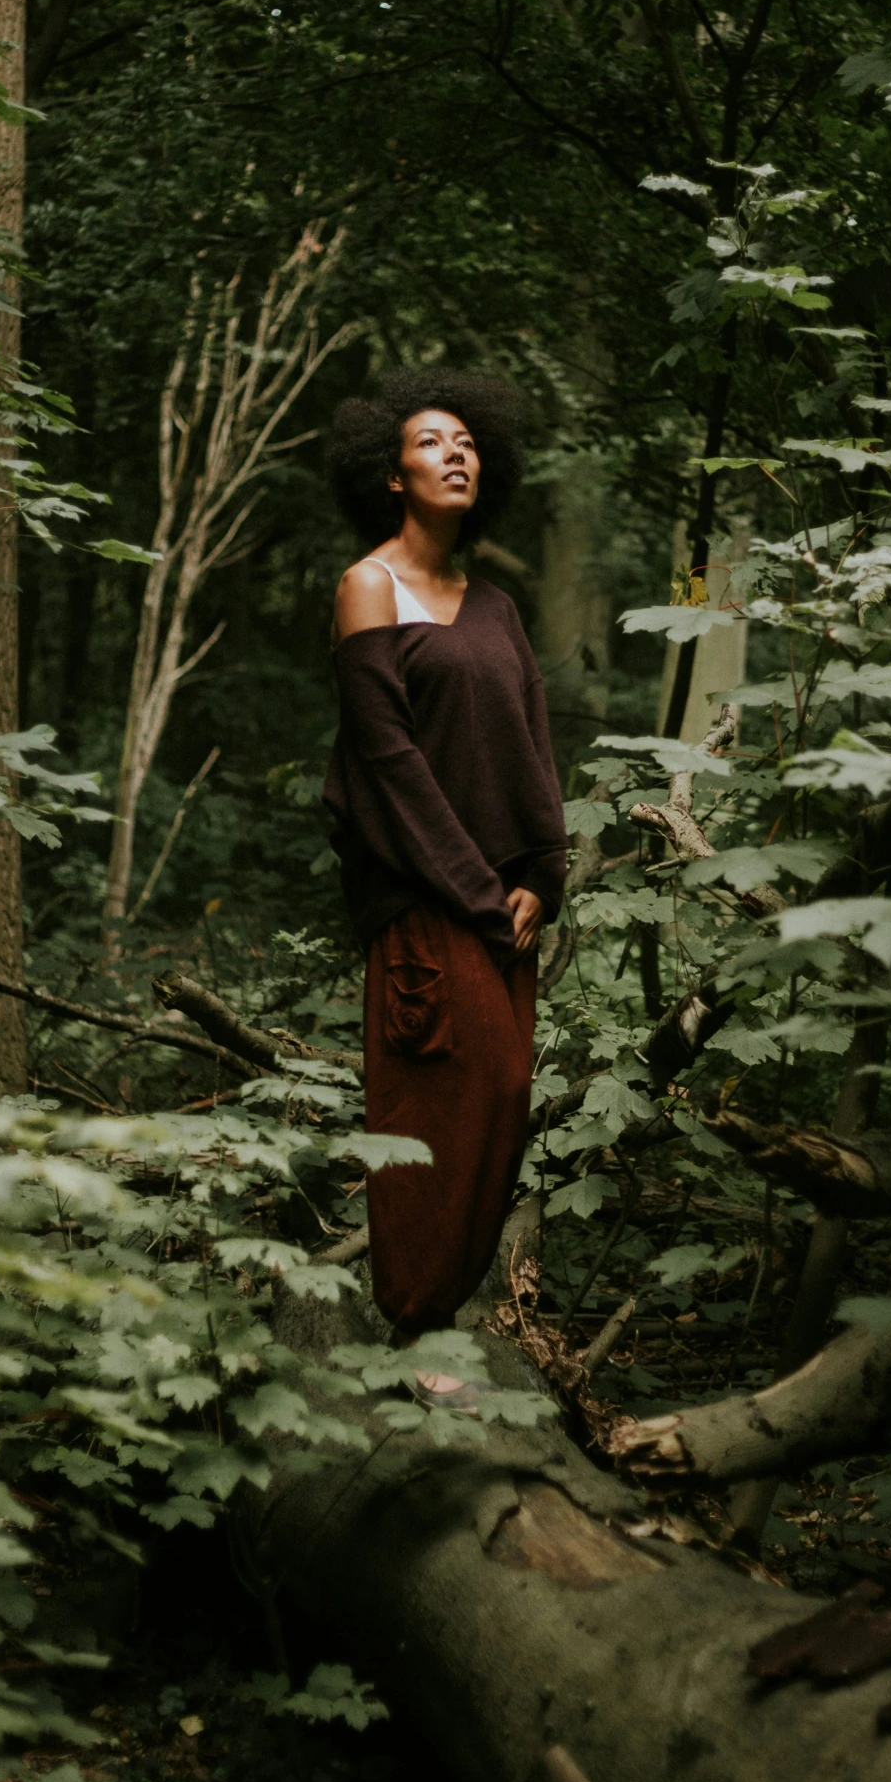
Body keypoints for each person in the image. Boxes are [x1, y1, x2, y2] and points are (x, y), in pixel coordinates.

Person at [323, 372, 568, 1374]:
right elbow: (387, 762)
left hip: (504, 907)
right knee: (437, 1114)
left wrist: (542, 881)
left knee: (502, 1105)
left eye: (467, 441)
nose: (456, 452)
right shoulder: (368, 585)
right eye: (431, 442)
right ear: (391, 474)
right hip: (427, 906)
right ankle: (416, 1334)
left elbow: (532, 749)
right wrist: (474, 892)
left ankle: (433, 1331)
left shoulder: (497, 607)